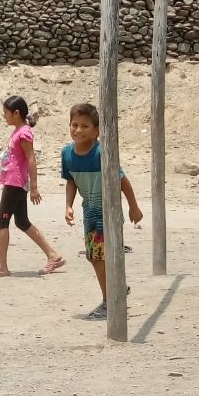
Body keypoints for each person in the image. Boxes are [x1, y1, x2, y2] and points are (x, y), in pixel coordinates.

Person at [61, 103, 144, 321]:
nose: (78, 130)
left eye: (85, 126)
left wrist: (133, 207)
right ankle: (117, 289)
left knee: (99, 257)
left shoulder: (102, 152)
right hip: (89, 212)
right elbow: (70, 181)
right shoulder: (67, 154)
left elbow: (122, 180)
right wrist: (68, 205)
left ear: (97, 131)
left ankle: (110, 301)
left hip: (108, 213)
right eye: (74, 125)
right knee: (95, 257)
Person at [0, 95, 65, 278]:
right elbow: (11, 161)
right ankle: (53, 255)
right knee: (21, 222)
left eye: (6, 112)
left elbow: (30, 159)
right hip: (12, 182)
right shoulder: (17, 131)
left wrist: (34, 187)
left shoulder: (24, 133)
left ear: (16, 113)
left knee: (1, 221)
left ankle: (1, 266)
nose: (4, 116)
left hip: (16, 184)